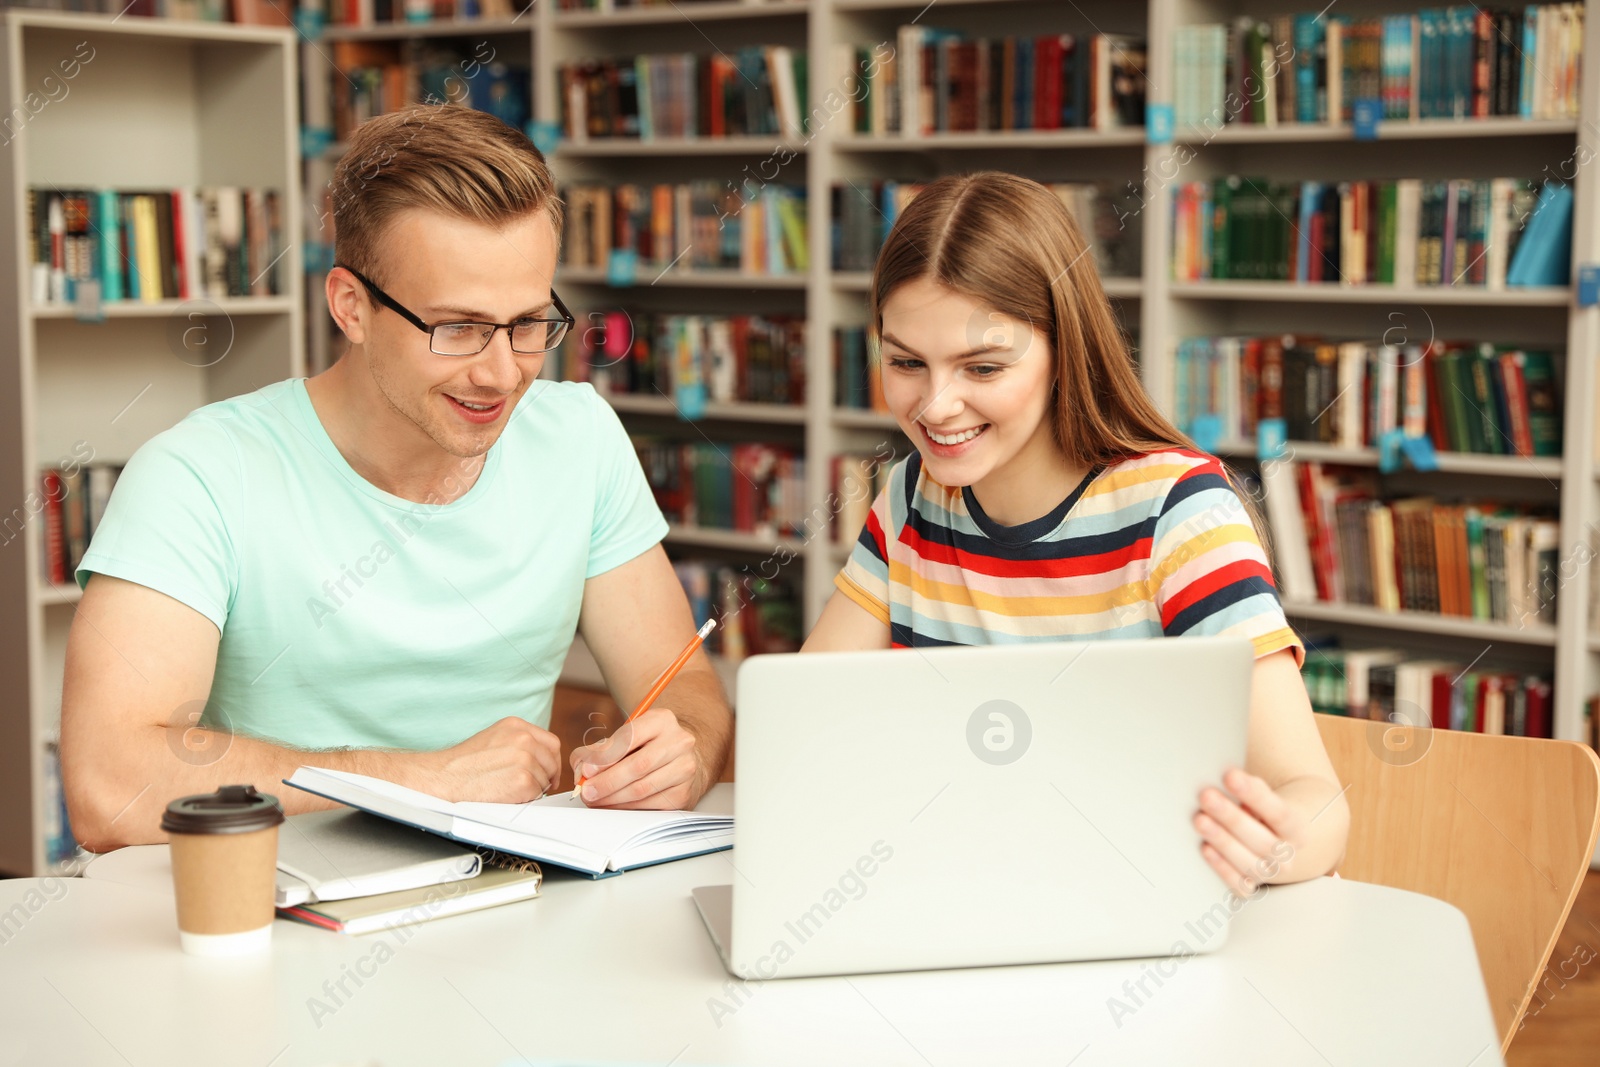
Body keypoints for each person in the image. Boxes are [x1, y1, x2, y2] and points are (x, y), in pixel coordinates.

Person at [60, 105, 731, 850]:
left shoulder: (580, 437)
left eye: (530, 322)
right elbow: (105, 784)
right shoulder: (199, 475)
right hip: (270, 924)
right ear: (351, 305)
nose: (503, 373)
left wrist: (685, 754)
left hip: (508, 908)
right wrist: (420, 781)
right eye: (460, 328)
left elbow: (686, 688)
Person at [802, 172, 1348, 893]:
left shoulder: (1177, 511)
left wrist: (1268, 843)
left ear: (1066, 349)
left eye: (983, 366)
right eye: (905, 361)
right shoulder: (911, 499)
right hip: (956, 893)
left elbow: (1318, 800)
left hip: (1133, 912)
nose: (934, 405)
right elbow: (808, 726)